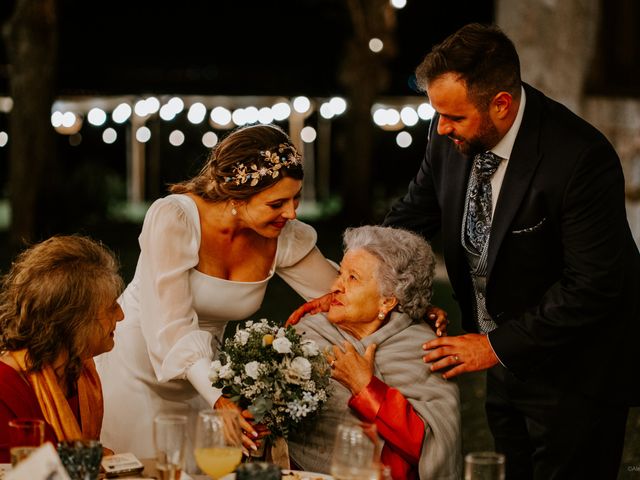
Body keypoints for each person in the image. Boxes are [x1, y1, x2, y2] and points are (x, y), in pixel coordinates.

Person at [383, 23, 640, 479]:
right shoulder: (448, 137)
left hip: (579, 373)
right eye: (437, 114)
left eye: (455, 117)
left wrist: (493, 347)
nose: (441, 128)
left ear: (501, 103)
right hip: (504, 365)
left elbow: (594, 285)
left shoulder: (580, 157)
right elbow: (410, 217)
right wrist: (366, 273)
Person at [94, 124, 340, 460]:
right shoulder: (175, 219)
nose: (292, 212)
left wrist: (405, 304)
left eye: (296, 197)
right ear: (236, 197)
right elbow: (171, 325)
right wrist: (219, 398)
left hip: (207, 378)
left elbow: (341, 294)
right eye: (277, 203)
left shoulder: (283, 234)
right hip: (137, 367)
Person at [289, 226, 461, 480]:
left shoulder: (422, 348)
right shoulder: (307, 333)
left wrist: (365, 387)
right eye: (340, 273)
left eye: (353, 278)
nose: (335, 286)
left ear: (388, 301)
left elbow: (429, 445)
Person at [0, 235, 124, 462]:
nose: (121, 316)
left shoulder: (78, 373)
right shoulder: (5, 389)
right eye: (111, 307)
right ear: (74, 321)